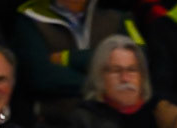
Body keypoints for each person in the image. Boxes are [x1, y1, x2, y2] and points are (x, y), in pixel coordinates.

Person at [9, 0, 138, 121]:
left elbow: (138, 57)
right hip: (55, 126)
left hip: (117, 123)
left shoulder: (116, 12)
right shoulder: (31, 17)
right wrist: (107, 81)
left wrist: (68, 58)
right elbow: (41, 76)